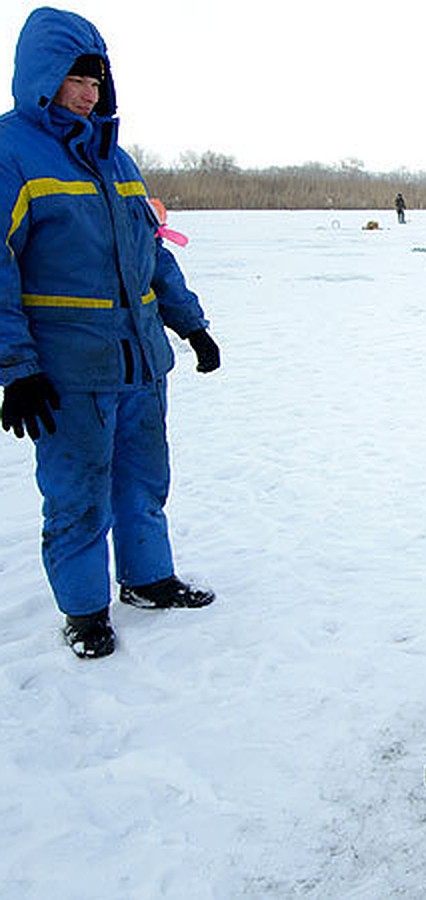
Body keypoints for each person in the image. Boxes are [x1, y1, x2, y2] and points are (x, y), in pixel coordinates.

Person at [0, 8, 221, 659]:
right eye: (77, 77)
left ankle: (149, 579)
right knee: (77, 493)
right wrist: (16, 368)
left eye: (98, 79)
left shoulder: (115, 157)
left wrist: (192, 325)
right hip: (68, 371)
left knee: (144, 480)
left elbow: (153, 252)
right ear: (43, 77)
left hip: (140, 363)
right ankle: (84, 610)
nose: (90, 91)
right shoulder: (11, 153)